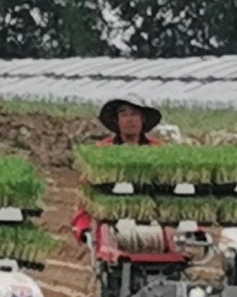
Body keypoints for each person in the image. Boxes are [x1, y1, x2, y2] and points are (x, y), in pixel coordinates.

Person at [69, 95, 167, 242]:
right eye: (124, 114)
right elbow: (87, 193)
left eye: (135, 114)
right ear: (117, 120)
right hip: (111, 218)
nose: (130, 119)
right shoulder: (102, 151)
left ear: (143, 119)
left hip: (152, 219)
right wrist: (83, 226)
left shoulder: (159, 150)